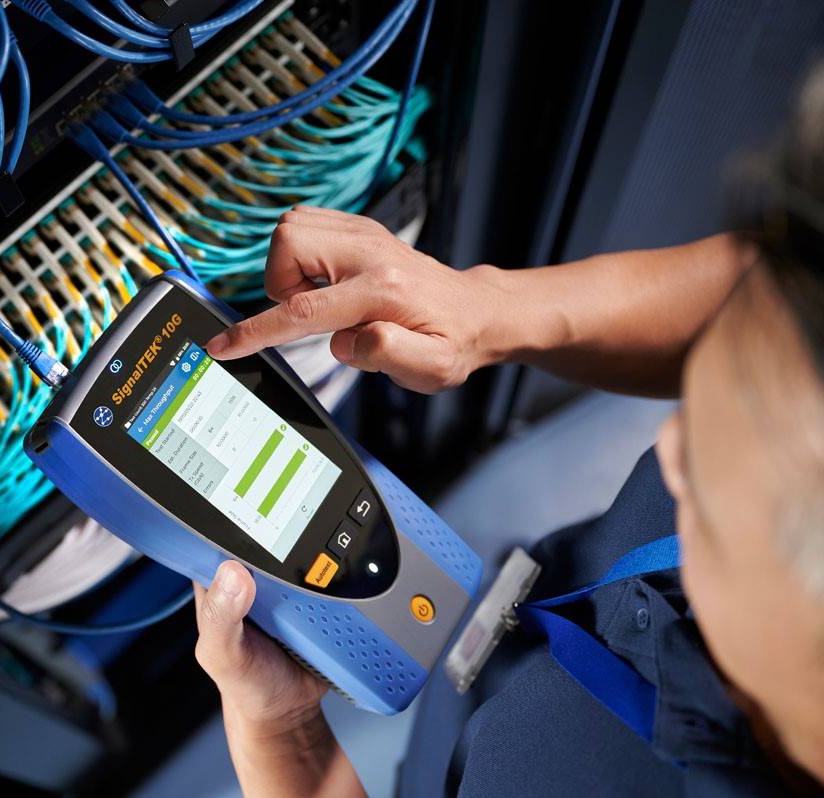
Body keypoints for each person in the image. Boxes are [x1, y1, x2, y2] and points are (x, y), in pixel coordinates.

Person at [191, 67, 824, 796]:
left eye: (712, 490)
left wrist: (281, 726)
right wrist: (490, 310)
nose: (671, 447)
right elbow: (768, 291)